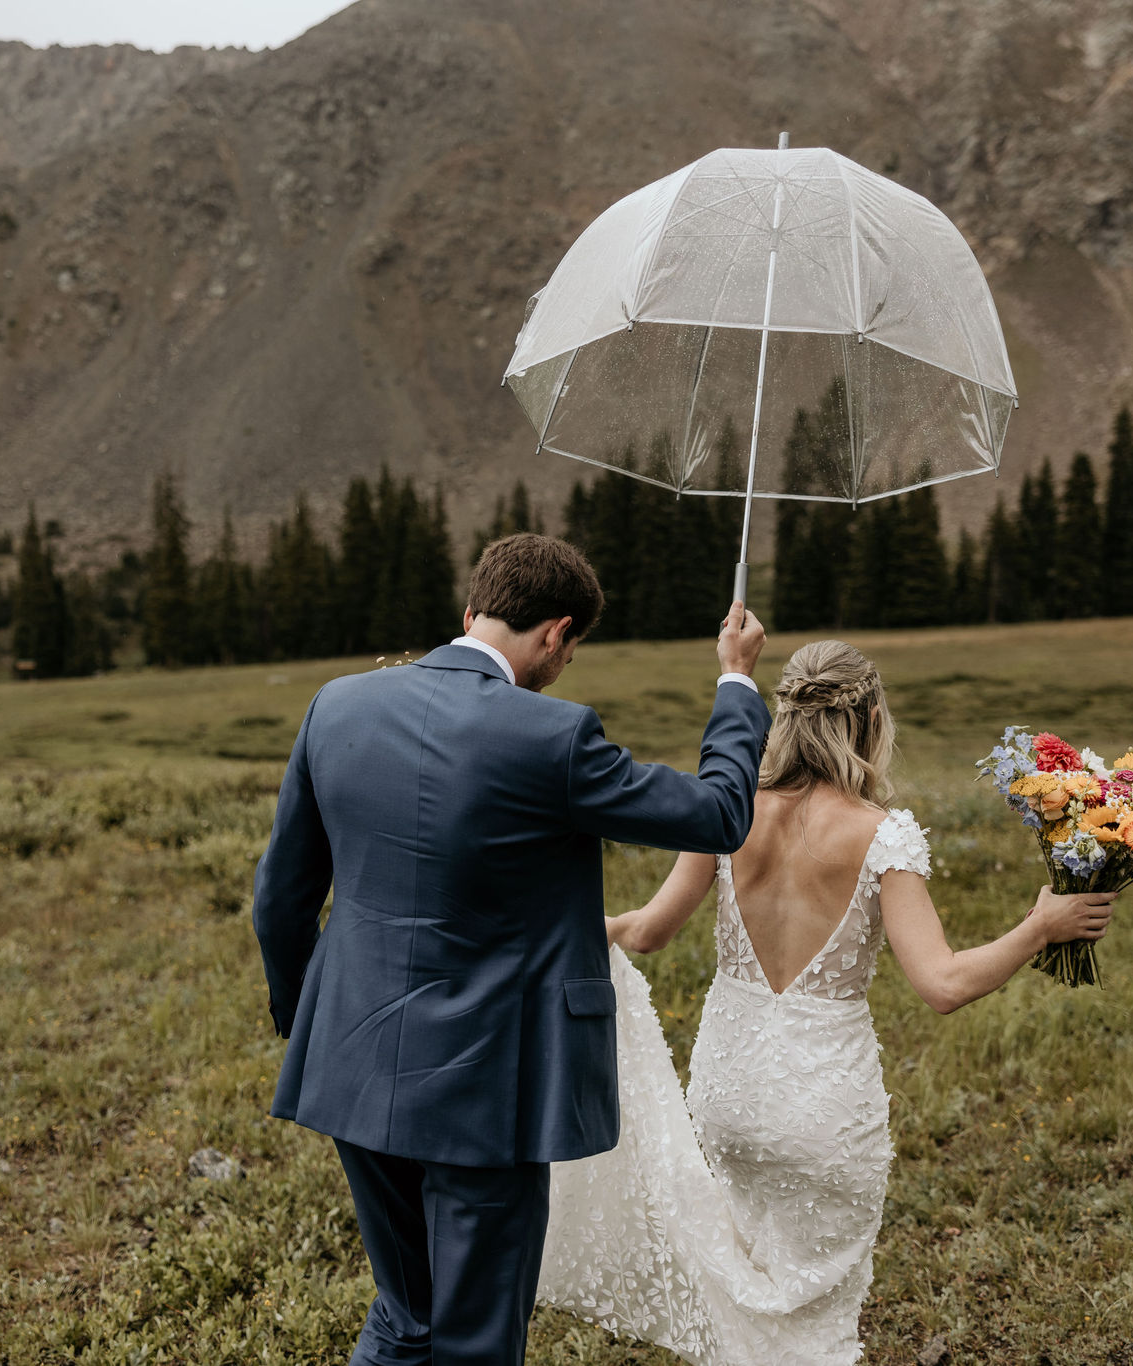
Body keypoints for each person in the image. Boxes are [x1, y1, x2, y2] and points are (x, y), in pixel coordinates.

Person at [253, 533, 771, 1366]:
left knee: (408, 1311)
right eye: (571, 649)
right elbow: (715, 816)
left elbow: (280, 900)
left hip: (351, 1066)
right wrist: (737, 680)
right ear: (558, 634)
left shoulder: (336, 706)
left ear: (470, 611)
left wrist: (309, 1019)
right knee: (475, 1336)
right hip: (485, 1090)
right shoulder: (553, 738)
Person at [538, 639, 1117, 1365]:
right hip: (822, 1106)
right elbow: (942, 985)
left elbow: (648, 931)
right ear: (871, 717)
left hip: (728, 1091)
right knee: (816, 1311)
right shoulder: (883, 835)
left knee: (751, 1276)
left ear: (783, 717)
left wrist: (558, 933)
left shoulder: (731, 807)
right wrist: (1042, 926)